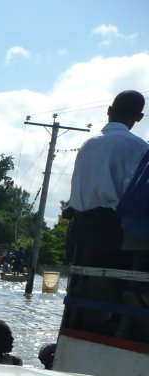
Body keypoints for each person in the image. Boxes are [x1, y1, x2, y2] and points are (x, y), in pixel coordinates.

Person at [65, 90, 148, 263]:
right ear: (139, 117)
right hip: (113, 233)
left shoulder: (88, 144)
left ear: (109, 110)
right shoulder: (140, 148)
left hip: (78, 232)